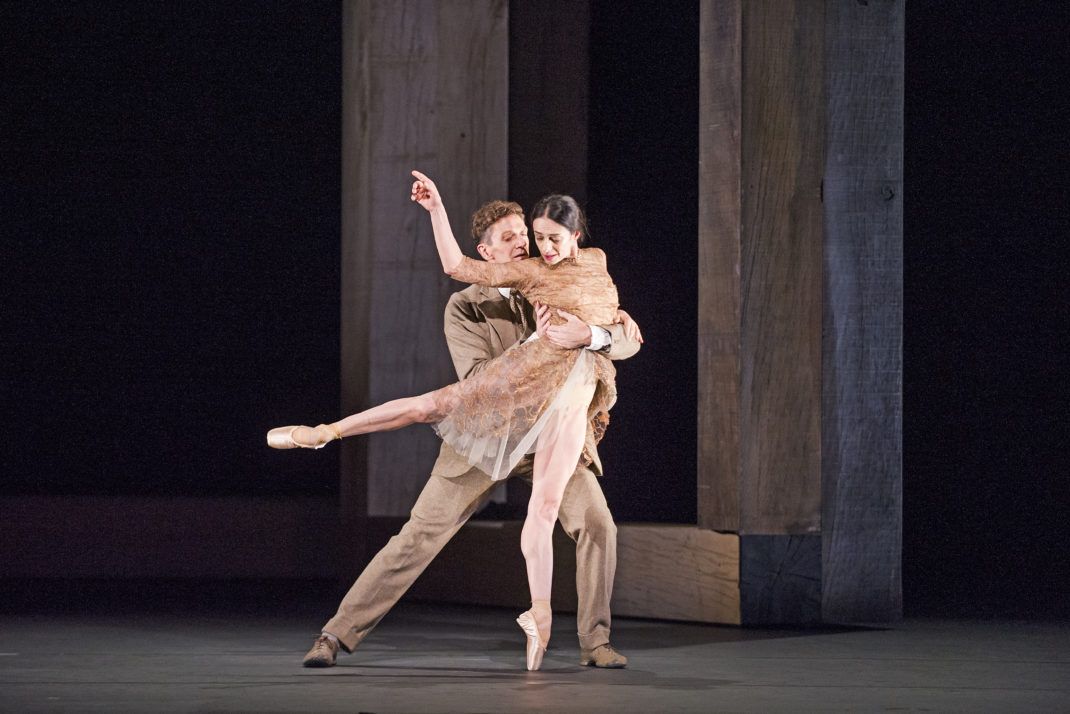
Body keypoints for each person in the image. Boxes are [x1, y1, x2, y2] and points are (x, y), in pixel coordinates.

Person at [272, 171, 641, 670]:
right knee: (419, 535)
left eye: (526, 236)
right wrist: (540, 349)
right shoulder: (466, 307)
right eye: (510, 238)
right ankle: (334, 636)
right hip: (486, 433)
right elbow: (477, 379)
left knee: (598, 524)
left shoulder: (568, 276)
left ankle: (595, 643)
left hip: (552, 437)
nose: (524, 245)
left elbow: (623, 341)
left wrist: (594, 334)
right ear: (487, 254)